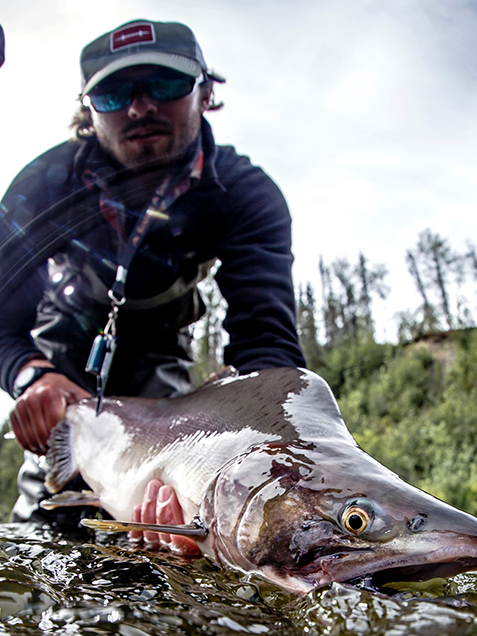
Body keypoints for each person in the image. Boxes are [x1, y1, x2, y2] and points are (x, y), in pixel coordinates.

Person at [0, 18, 305, 547]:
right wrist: (30, 377)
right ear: (88, 110)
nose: (140, 108)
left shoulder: (245, 195)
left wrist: (243, 487)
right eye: (114, 94)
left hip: (164, 350)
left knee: (156, 542)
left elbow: (267, 359)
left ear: (205, 93)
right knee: (43, 533)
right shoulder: (44, 186)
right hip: (63, 347)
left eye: (165, 85)